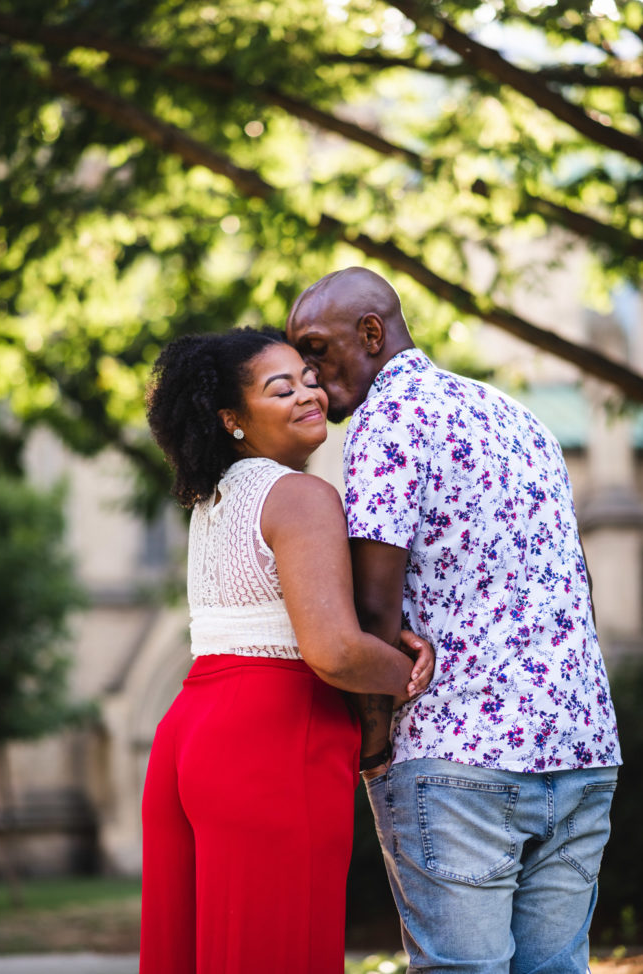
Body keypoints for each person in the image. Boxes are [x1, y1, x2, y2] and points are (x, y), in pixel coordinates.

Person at [286, 267, 622, 974]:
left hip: (458, 755)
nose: (309, 375)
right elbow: (579, 582)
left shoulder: (388, 417)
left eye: (316, 349)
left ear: (371, 334)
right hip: (582, 748)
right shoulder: (517, 416)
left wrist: (373, 745)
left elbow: (375, 606)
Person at [140, 326, 434, 974]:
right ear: (232, 418)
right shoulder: (299, 496)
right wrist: (415, 671)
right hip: (271, 740)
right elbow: (334, 652)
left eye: (309, 379)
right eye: (281, 389)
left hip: (189, 735)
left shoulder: (214, 501)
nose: (309, 394)